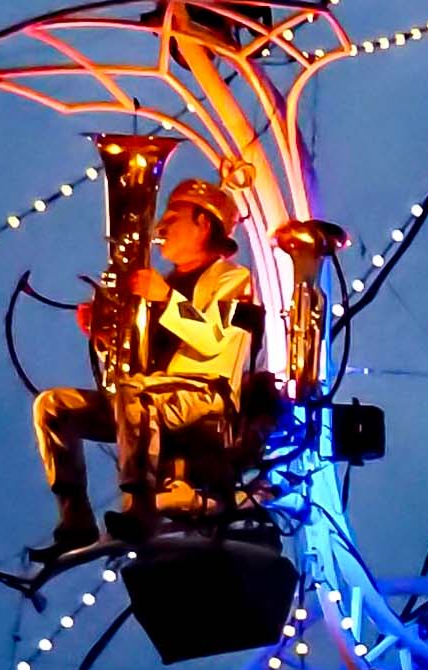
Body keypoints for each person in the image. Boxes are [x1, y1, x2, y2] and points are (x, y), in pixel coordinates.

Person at [33, 180, 264, 565]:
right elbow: (137, 359)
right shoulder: (164, 283)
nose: (160, 229)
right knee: (54, 405)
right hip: (149, 395)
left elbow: (212, 340)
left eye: (172, 218)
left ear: (204, 224)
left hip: (206, 393)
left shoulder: (232, 280)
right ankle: (75, 520)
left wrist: (164, 299)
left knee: (135, 393)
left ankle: (142, 508)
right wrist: (106, 331)